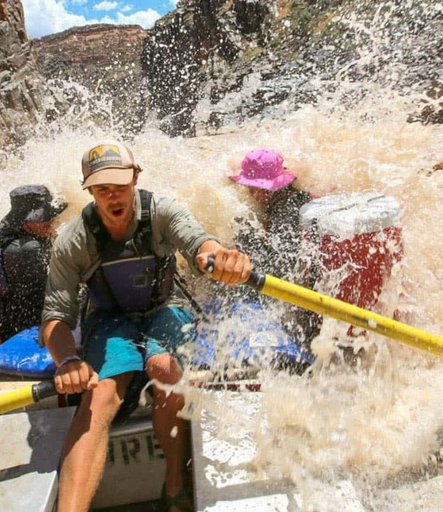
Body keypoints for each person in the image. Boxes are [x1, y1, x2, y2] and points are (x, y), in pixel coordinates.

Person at [41, 140, 251, 512]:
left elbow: (199, 243)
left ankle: (175, 488)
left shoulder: (162, 213)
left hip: (164, 306)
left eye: (120, 185)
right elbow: (56, 317)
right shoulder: (72, 241)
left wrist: (221, 259)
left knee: (164, 369)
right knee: (103, 391)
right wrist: (66, 362)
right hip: (108, 319)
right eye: (102, 188)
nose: (113, 196)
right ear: (88, 189)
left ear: (136, 177)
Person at [229, 149, 320, 356]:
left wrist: (249, 240)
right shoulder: (294, 197)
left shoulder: (287, 217)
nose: (251, 193)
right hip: (301, 279)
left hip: (296, 295)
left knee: (244, 235)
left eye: (255, 188)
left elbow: (281, 268)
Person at [0, 184, 67, 341]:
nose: (50, 221)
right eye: (43, 218)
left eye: (50, 215)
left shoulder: (6, 230)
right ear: (24, 221)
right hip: (24, 326)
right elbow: (52, 293)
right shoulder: (27, 250)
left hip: (17, 313)